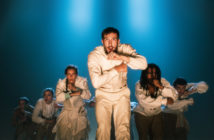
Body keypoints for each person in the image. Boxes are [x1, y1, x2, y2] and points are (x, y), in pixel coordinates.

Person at [88, 27, 147, 140]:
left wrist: (122, 57)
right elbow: (96, 83)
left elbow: (143, 64)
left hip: (122, 94)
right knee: (103, 129)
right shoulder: (94, 55)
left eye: (114, 39)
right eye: (107, 40)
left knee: (123, 129)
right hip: (103, 94)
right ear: (102, 41)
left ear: (118, 41)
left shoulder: (125, 48)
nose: (110, 43)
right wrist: (116, 69)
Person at [133, 63, 177, 140]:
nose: (153, 76)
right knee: (143, 137)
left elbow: (174, 95)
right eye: (150, 73)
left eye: (155, 73)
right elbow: (145, 102)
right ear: (145, 74)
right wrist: (164, 101)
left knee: (158, 136)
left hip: (157, 113)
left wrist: (160, 86)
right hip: (141, 113)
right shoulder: (139, 84)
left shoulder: (162, 81)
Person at [55, 65, 91, 140]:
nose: (71, 76)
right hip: (66, 115)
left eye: (73, 74)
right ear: (66, 75)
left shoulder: (82, 82)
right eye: (69, 74)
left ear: (76, 74)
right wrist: (72, 93)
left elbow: (88, 96)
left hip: (79, 115)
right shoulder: (61, 84)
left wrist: (75, 89)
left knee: (79, 136)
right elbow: (58, 98)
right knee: (64, 136)